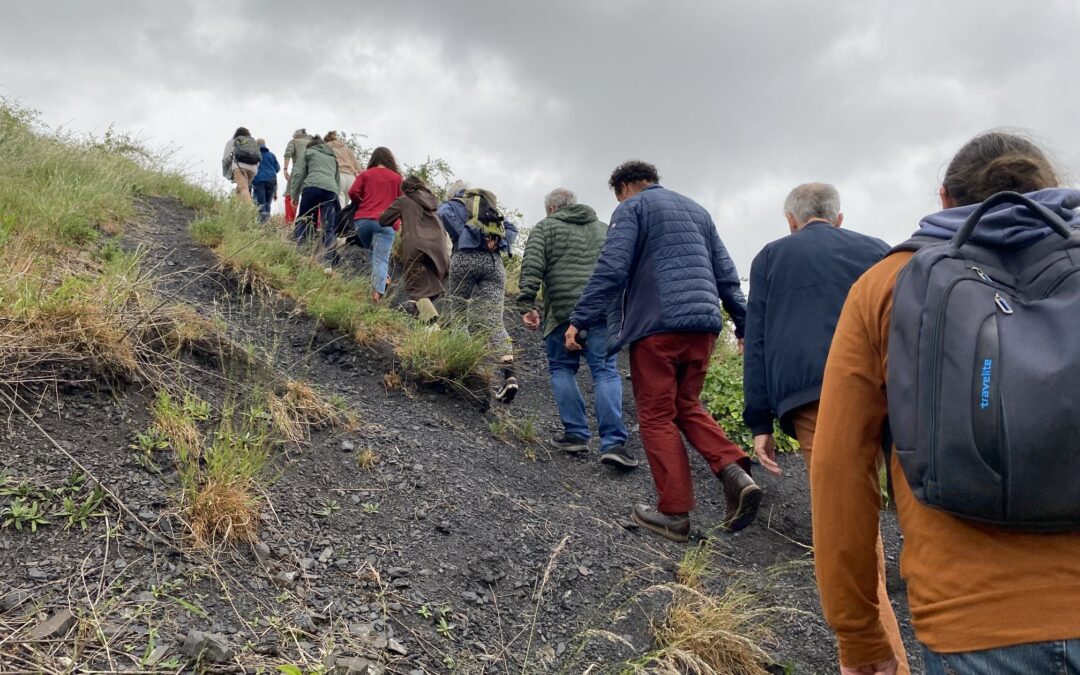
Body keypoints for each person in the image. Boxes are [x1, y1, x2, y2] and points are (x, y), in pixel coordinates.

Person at [812, 131, 1080, 675]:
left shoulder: (888, 284)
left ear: (944, 198)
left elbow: (840, 469)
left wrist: (860, 635)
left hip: (975, 622)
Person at [742, 183, 904, 671]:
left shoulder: (771, 257)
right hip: (895, 388)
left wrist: (759, 420)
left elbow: (757, 340)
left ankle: (879, 661)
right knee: (917, 510)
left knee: (846, 530)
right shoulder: (878, 249)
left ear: (791, 221)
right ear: (838, 217)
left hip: (818, 398)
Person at [566, 160, 760, 542]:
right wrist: (743, 325)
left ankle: (674, 513)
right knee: (686, 404)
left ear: (624, 188)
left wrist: (580, 319)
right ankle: (734, 472)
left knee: (656, 415)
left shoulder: (632, 207)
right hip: (704, 325)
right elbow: (726, 275)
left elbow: (612, 268)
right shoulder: (698, 211)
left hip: (658, 326)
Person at [517, 188, 634, 467]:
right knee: (605, 372)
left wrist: (527, 303)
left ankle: (576, 434)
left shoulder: (545, 228)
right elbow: (621, 268)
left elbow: (532, 265)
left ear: (551, 209)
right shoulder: (603, 228)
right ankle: (614, 443)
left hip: (562, 313)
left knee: (561, 368)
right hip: (601, 312)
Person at [438, 184, 520, 404]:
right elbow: (512, 228)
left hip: (464, 258)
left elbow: (442, 212)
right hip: (493, 263)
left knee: (459, 313)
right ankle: (510, 375)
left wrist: (466, 236)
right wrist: (498, 241)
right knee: (494, 320)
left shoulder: (454, 204)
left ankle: (465, 364)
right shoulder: (490, 209)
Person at [378, 175, 450, 322]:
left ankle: (432, 323)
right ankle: (426, 320)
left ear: (406, 189)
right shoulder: (432, 203)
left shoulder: (405, 200)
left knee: (416, 287)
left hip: (416, 247)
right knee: (430, 286)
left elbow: (384, 220)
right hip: (438, 249)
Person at [349, 147, 403, 302]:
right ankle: (377, 293)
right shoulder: (397, 178)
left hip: (362, 221)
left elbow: (352, 192)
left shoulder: (365, 175)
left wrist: (362, 201)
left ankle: (383, 278)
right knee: (380, 259)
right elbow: (403, 201)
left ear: (373, 159)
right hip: (385, 223)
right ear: (389, 160)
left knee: (373, 253)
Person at [289, 135, 341, 268]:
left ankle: (301, 253)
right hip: (330, 190)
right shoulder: (332, 158)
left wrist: (294, 195)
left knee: (305, 219)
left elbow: (298, 174)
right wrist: (335, 198)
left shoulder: (308, 152)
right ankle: (328, 261)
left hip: (312, 188)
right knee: (328, 227)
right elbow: (337, 180)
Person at [221, 127, 260, 204]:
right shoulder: (252, 142)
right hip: (253, 168)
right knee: (239, 190)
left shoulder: (233, 141)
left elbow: (226, 158)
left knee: (243, 189)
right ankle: (238, 208)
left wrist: (226, 171)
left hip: (239, 166)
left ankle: (250, 209)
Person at [282, 129, 313, 224]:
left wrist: (285, 169)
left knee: (290, 194)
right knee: (311, 196)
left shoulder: (294, 141)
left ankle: (289, 222)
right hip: (312, 172)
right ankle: (311, 222)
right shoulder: (312, 142)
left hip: (297, 170)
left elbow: (288, 153)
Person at [325, 131, 360, 207]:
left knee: (339, 203)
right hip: (351, 178)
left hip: (339, 175)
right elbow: (358, 167)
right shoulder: (347, 149)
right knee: (345, 205)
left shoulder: (327, 147)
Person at [250, 138, 280, 222]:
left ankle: (262, 222)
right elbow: (277, 168)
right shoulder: (271, 155)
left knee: (260, 203)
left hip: (258, 180)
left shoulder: (253, 155)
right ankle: (267, 221)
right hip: (271, 180)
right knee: (267, 203)